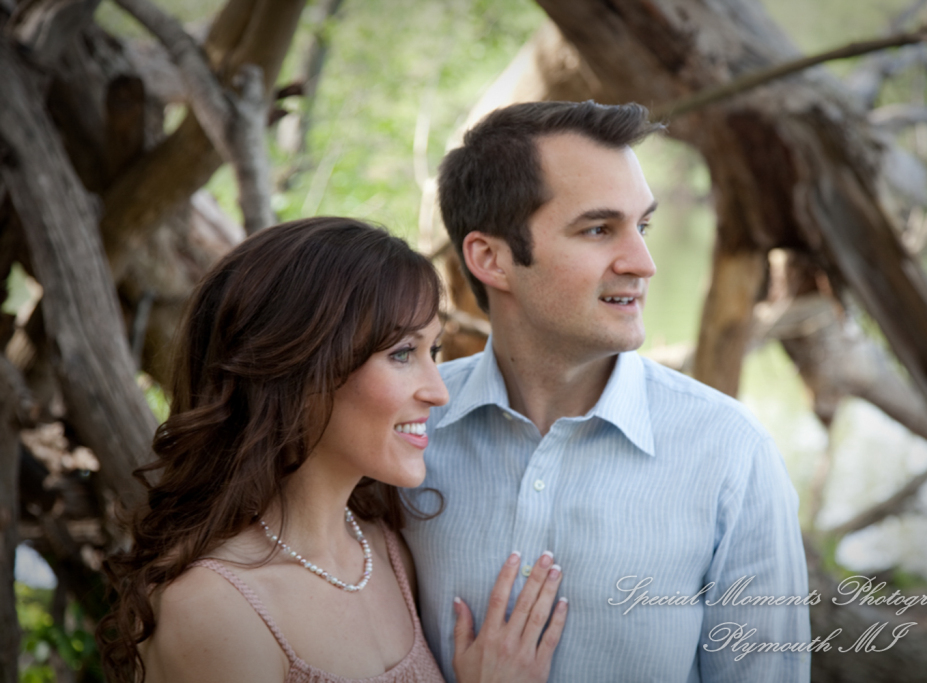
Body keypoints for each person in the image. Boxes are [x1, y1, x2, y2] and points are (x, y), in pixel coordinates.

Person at [402, 102, 811, 682]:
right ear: (490, 258)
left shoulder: (730, 453)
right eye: (598, 229)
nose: (642, 263)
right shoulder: (405, 433)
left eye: (641, 226)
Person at [97, 218, 568, 683]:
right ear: (298, 369)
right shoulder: (215, 609)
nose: (437, 391)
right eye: (403, 353)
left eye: (435, 352)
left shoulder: (388, 551)